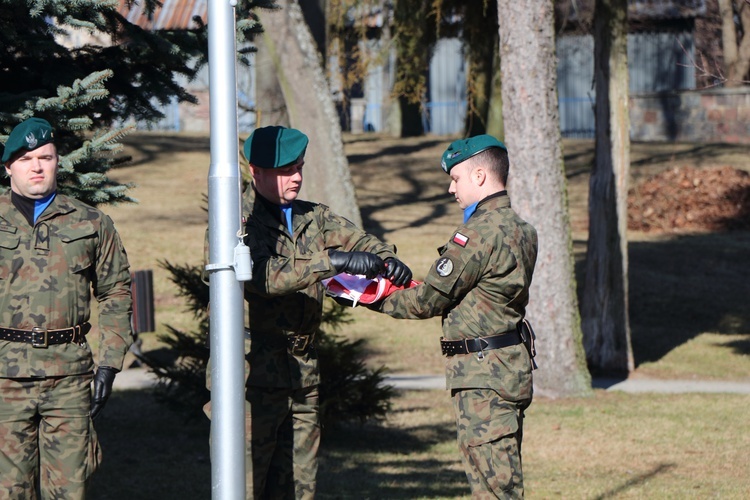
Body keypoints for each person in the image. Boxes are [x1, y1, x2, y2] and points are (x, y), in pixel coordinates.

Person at [223, 125, 412, 499]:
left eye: (299, 167)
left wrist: (387, 260)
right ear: (255, 172)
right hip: (250, 379)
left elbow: (362, 241)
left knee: (299, 487)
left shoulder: (315, 218)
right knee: (246, 486)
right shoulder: (236, 223)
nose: (296, 177)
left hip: (302, 377)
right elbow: (261, 278)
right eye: (284, 170)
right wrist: (330, 261)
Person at [370, 135, 538, 498]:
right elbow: (474, 293)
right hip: (503, 368)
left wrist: (370, 296)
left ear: (479, 176)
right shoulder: (522, 229)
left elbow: (428, 300)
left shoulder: (478, 234)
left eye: (456, 178)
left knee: (493, 489)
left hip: (484, 378)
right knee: (499, 481)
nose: (451, 188)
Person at [0, 117, 133, 498]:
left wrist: (109, 362)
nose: (37, 166)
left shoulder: (91, 222)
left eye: (45, 157)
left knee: (70, 490)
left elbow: (116, 292)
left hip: (69, 378)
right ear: (8, 166)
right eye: (26, 159)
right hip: (4, 377)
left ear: (58, 162)